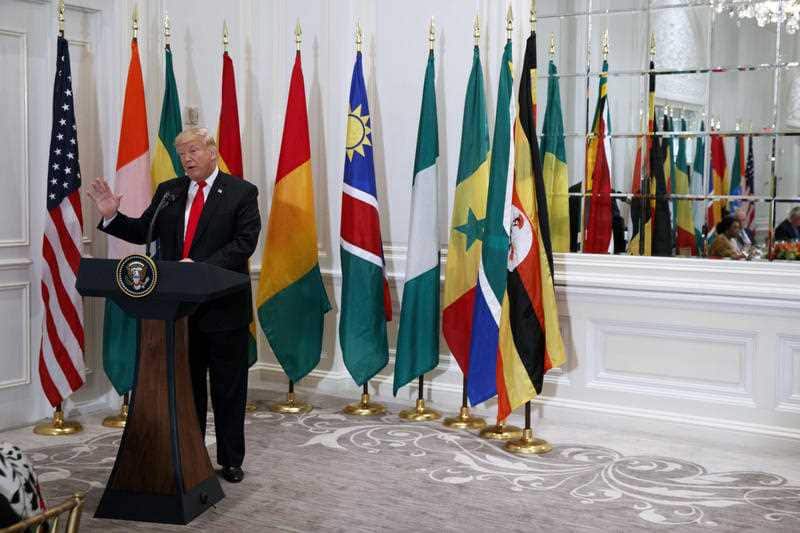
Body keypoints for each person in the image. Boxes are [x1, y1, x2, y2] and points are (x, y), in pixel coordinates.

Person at [87, 127, 260, 483]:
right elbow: (144, 231)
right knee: (187, 389)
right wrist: (112, 216)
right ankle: (191, 456)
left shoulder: (242, 192)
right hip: (179, 311)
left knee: (227, 390)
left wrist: (199, 267)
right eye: (181, 153)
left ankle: (231, 460)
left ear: (212, 151)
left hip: (224, 309)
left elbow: (244, 243)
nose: (187, 159)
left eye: (193, 150)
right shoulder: (170, 191)